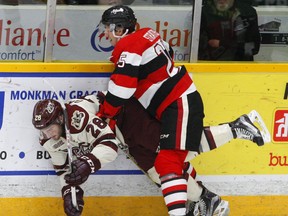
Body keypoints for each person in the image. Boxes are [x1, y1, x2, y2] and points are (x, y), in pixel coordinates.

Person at [94, 5, 268, 216]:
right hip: (175, 103)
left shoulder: (129, 45)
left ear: (119, 29)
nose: (104, 33)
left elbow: (122, 90)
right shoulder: (147, 34)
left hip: (178, 102)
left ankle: (187, 207)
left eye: (107, 28)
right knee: (178, 152)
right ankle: (235, 130)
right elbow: (167, 53)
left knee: (167, 162)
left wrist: (103, 114)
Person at [32, 93, 269, 216]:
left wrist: (88, 164)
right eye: (42, 130)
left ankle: (237, 126)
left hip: (127, 115)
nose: (47, 133)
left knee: (174, 148)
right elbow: (63, 169)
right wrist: (69, 192)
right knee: (158, 172)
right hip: (123, 134)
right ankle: (206, 199)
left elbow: (108, 145)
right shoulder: (50, 139)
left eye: (50, 127)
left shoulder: (77, 117)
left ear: (61, 118)